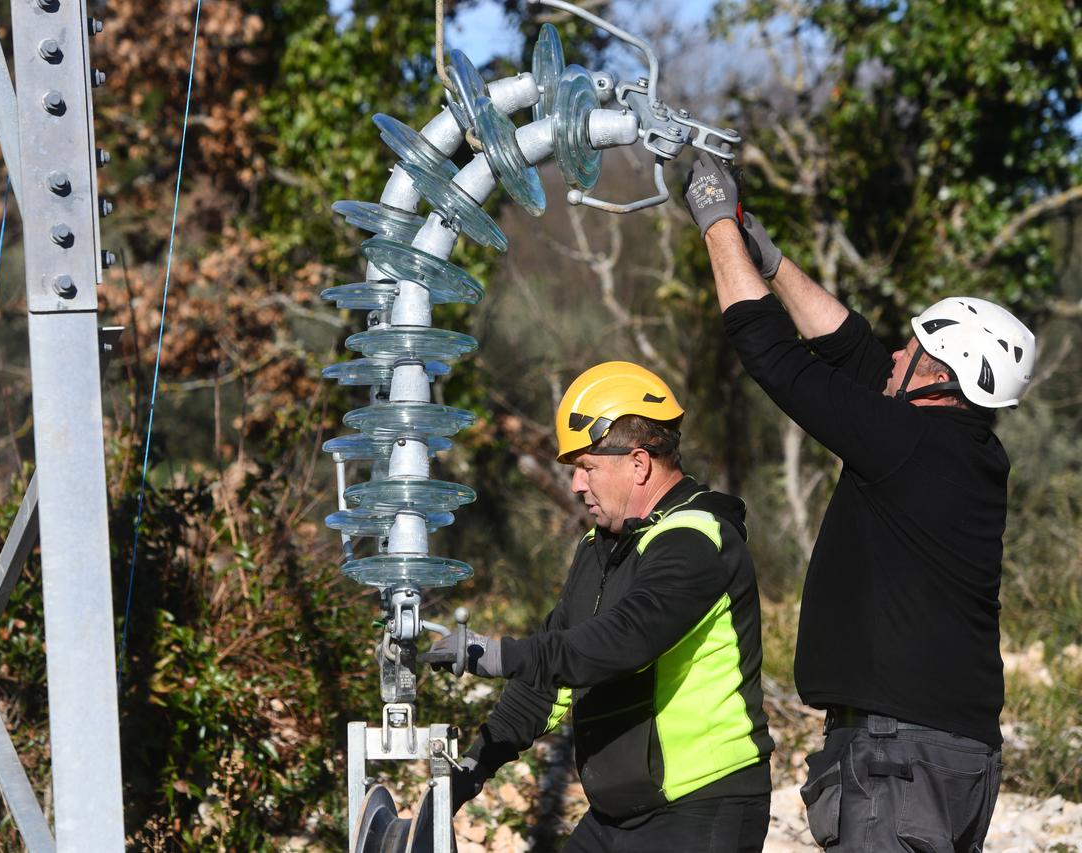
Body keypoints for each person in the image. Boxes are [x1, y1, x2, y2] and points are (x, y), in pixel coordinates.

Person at [682, 153, 1037, 851]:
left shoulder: (907, 441)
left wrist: (714, 223)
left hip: (896, 757)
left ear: (938, 375)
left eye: (913, 349)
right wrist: (770, 256)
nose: (896, 357)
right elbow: (854, 349)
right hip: (953, 757)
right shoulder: (962, 447)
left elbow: (773, 356)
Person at [425, 361, 774, 852]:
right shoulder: (599, 547)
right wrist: (475, 766)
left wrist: (499, 653)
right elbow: (549, 681)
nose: (575, 485)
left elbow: (622, 642)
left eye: (587, 467)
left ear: (638, 463)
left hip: (702, 806)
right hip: (618, 812)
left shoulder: (697, 540)